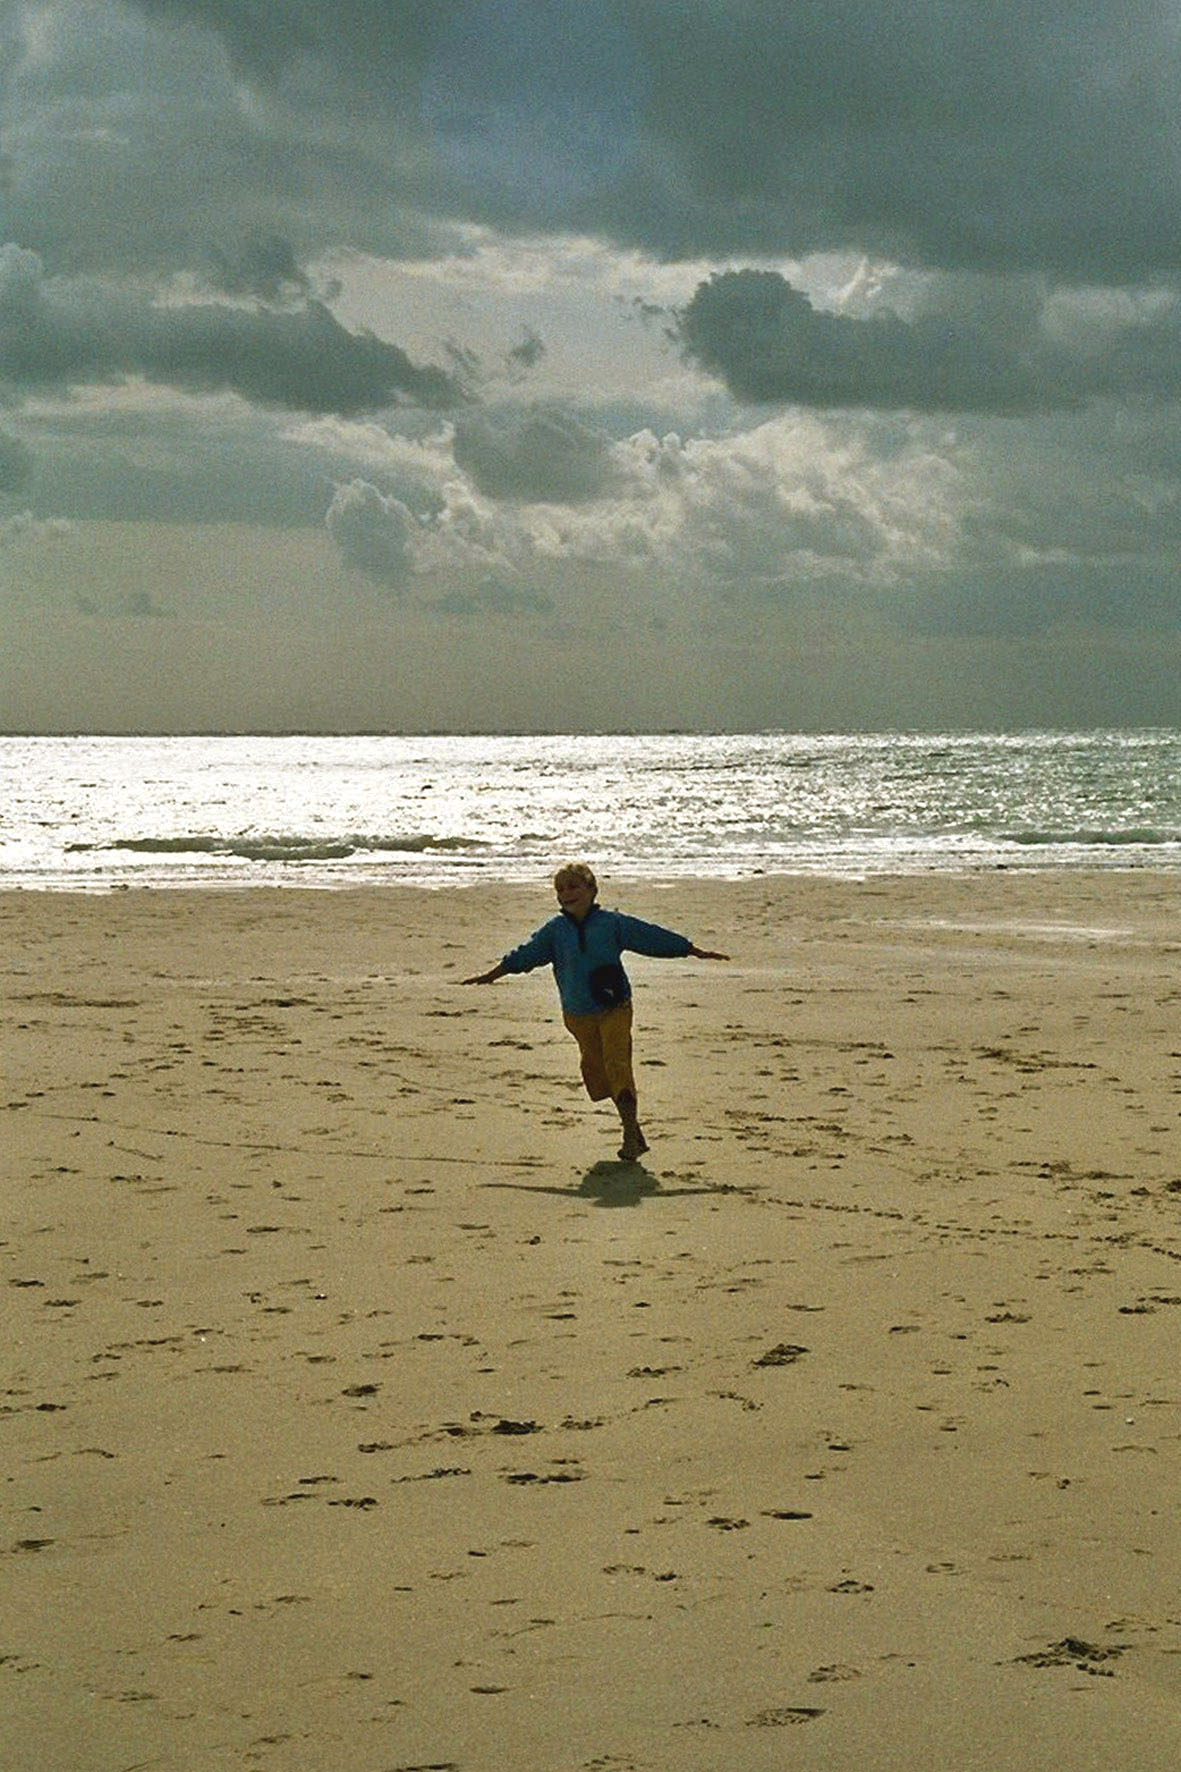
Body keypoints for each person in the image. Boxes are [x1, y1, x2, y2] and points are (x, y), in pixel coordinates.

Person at [463, 862, 728, 1160]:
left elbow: (649, 936)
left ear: (591, 889)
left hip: (615, 1007)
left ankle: (629, 1136)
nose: (567, 893)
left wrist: (690, 949)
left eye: (574, 886)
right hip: (577, 1014)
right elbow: (526, 955)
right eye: (560, 889)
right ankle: (634, 1129)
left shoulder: (612, 923)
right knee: (597, 1072)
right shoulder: (555, 931)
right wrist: (491, 975)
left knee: (618, 1065)